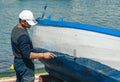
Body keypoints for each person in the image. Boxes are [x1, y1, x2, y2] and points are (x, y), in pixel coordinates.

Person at [11, 10, 56, 82]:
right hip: (25, 64)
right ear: (23, 21)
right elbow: (28, 55)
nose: (31, 25)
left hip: (17, 62)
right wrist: (43, 55)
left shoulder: (15, 29)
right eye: (29, 23)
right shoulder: (23, 36)